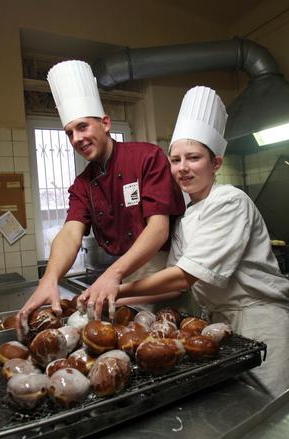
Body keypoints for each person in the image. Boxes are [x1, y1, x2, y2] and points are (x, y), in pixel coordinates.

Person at [80, 86, 289, 397]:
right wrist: (111, 300)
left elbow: (186, 275)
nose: (182, 168)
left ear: (216, 164)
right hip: (219, 328)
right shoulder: (185, 216)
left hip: (262, 323)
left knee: (274, 414)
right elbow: (173, 286)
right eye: (175, 160)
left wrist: (114, 289)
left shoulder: (230, 201)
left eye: (194, 158)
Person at [16, 60, 185, 333]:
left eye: (82, 127)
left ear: (105, 123)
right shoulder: (82, 185)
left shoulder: (146, 157)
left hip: (163, 276)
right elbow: (70, 233)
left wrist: (113, 274)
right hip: (123, 279)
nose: (76, 138)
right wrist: (48, 279)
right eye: (69, 132)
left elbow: (158, 229)